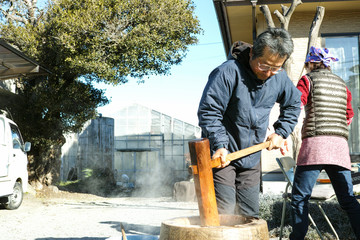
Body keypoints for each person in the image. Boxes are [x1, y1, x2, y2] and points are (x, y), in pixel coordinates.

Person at [197, 28, 301, 218]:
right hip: (223, 156)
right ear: (252, 52)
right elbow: (209, 111)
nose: (269, 73)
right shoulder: (228, 72)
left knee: (249, 216)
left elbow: (294, 104)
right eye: (264, 66)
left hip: (251, 155)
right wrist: (219, 144)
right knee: (224, 215)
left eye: (276, 67)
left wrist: (281, 132)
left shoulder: (279, 78)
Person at [289, 46, 360, 239]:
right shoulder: (342, 85)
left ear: (311, 63)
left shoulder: (307, 80)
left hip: (315, 146)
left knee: (300, 199)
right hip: (338, 148)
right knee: (348, 199)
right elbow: (349, 116)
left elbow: (297, 102)